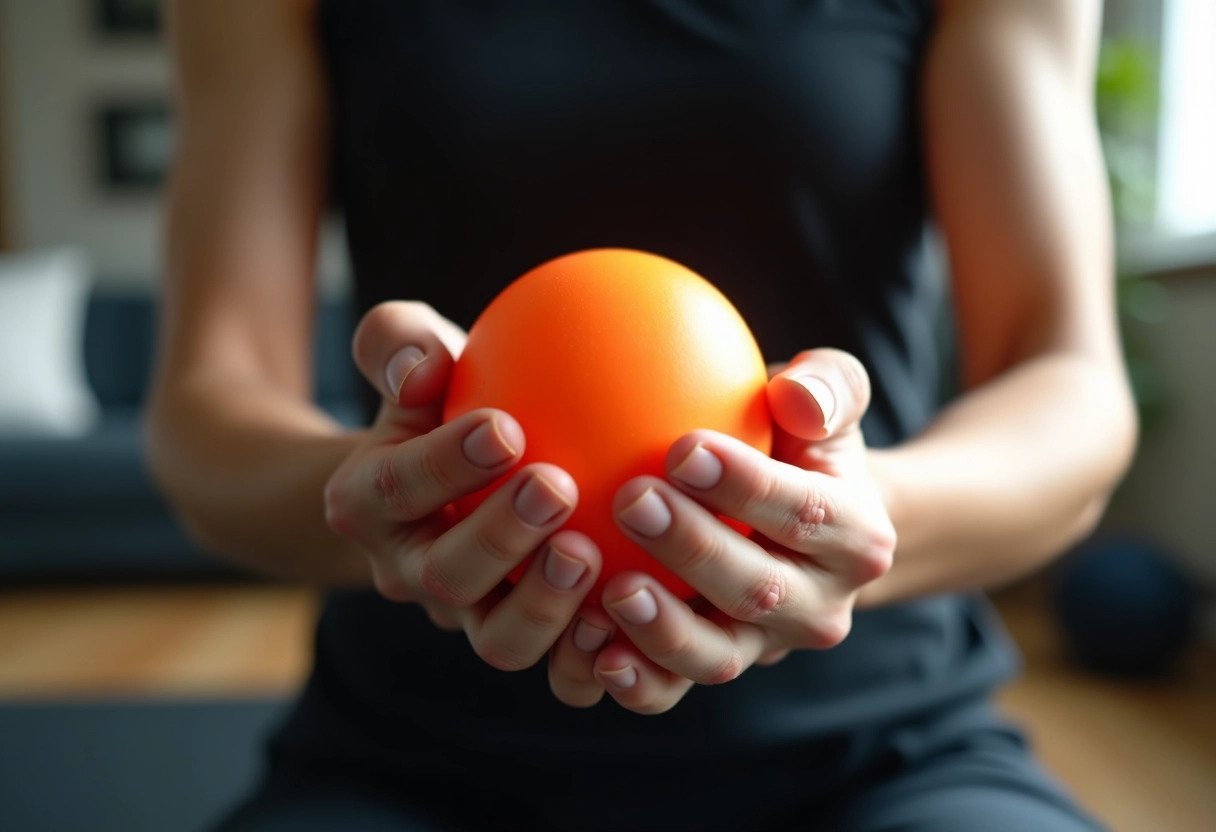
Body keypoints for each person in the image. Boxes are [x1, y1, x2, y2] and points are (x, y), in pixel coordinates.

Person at [146, 0, 1137, 829]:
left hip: (881, 751)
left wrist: (841, 526)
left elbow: (1069, 383)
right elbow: (206, 413)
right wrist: (393, 507)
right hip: (409, 761)